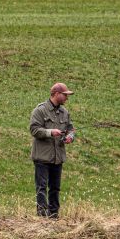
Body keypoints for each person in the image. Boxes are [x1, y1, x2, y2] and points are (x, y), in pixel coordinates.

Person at [29, 82, 76, 218]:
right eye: (65, 95)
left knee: (55, 188)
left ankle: (54, 216)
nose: (67, 98)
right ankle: (42, 217)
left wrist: (70, 137)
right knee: (42, 188)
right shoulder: (40, 110)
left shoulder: (64, 112)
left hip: (58, 157)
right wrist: (50, 132)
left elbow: (71, 129)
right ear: (56, 94)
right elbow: (34, 130)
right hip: (42, 157)